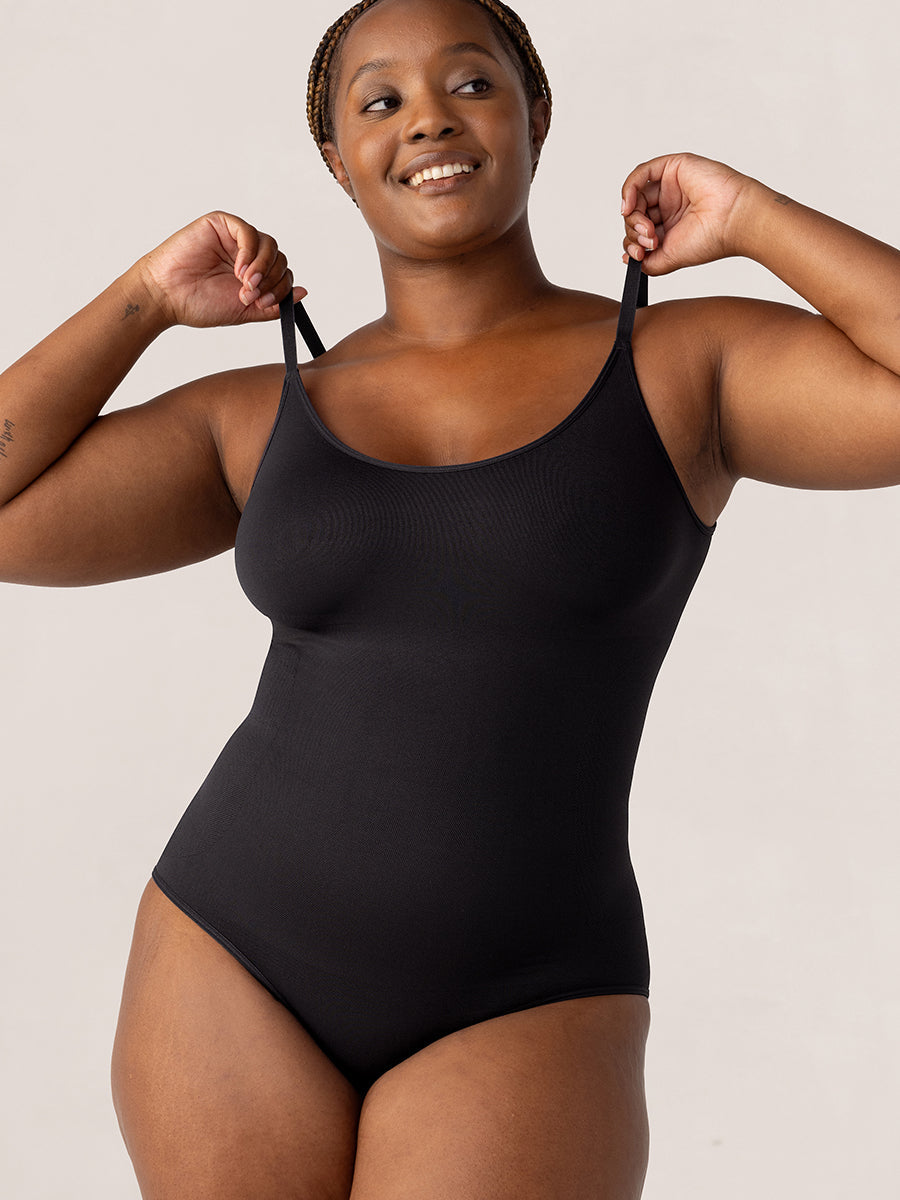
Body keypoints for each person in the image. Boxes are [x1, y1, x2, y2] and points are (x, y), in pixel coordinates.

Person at [1, 0, 898, 1195]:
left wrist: (750, 216)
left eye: (471, 83)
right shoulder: (261, 416)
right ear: (338, 161)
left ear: (536, 115)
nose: (427, 118)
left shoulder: (681, 367)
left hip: (527, 991)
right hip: (232, 954)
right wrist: (146, 299)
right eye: (381, 101)